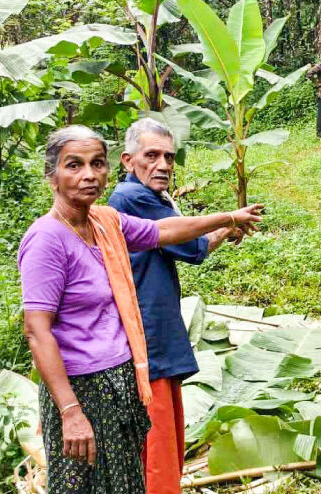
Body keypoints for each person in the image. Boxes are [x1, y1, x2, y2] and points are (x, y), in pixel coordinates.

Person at [18, 125, 263, 494]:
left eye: (97, 163)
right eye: (74, 165)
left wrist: (228, 218)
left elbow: (163, 232)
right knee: (84, 486)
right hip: (83, 389)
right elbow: (37, 330)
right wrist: (70, 412)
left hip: (122, 380)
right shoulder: (47, 239)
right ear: (52, 176)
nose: (89, 174)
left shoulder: (105, 222)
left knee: (128, 482)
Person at [107, 118, 243, 494]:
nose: (163, 165)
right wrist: (228, 221)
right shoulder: (132, 199)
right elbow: (192, 244)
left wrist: (224, 230)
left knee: (162, 439)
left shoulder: (147, 199)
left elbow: (189, 245)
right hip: (148, 335)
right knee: (157, 442)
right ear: (127, 160)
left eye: (169, 156)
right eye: (152, 155)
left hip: (157, 331)